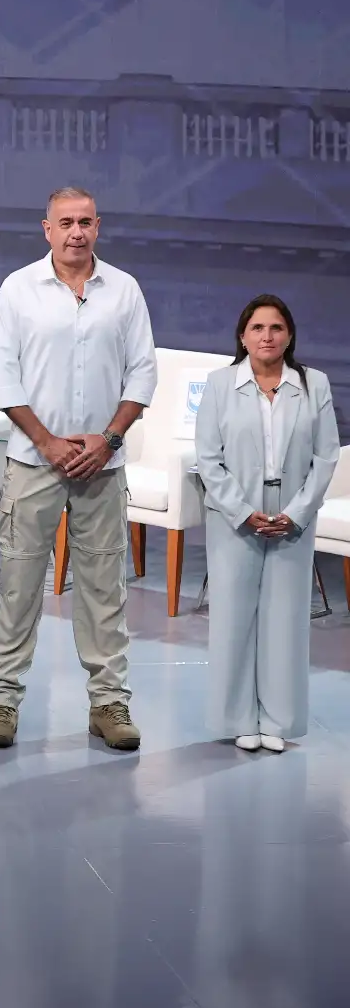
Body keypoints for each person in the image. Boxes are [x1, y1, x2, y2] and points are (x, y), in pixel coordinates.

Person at [0, 188, 157, 750]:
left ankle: (109, 704)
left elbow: (143, 375)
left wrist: (107, 440)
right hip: (34, 462)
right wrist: (48, 442)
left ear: (98, 227)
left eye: (85, 222)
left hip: (104, 465)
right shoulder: (18, 289)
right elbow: (1, 376)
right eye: (65, 223)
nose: (76, 232)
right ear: (46, 229)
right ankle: (1, 702)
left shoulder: (124, 290)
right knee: (18, 585)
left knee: (105, 588)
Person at [195, 295, 338, 753]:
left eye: (276, 328)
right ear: (242, 336)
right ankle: (238, 718)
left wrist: (296, 512)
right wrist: (241, 510)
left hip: (292, 511)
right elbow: (208, 459)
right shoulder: (219, 385)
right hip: (236, 512)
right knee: (234, 616)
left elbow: (326, 456)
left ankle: (277, 719)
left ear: (289, 335)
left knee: (285, 618)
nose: (267, 336)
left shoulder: (314, 385)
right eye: (257, 328)